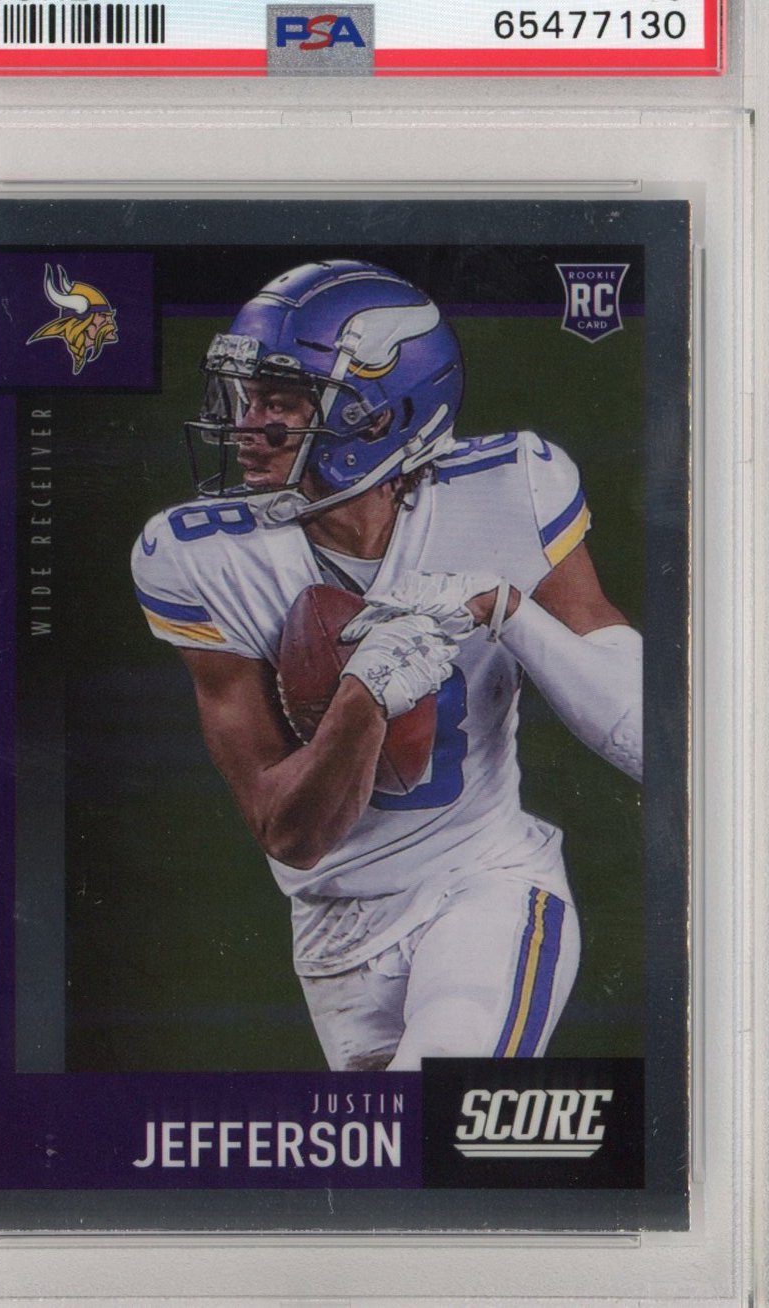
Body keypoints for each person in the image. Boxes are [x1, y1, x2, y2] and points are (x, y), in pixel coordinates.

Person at [131, 259, 642, 1072]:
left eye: (281, 400)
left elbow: (647, 738)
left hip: (485, 882)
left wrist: (507, 609)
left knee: (439, 1100)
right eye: (244, 395)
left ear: (380, 415)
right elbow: (291, 833)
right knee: (390, 1150)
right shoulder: (200, 557)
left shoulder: (511, 486)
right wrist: (367, 689)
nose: (246, 424)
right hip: (333, 929)